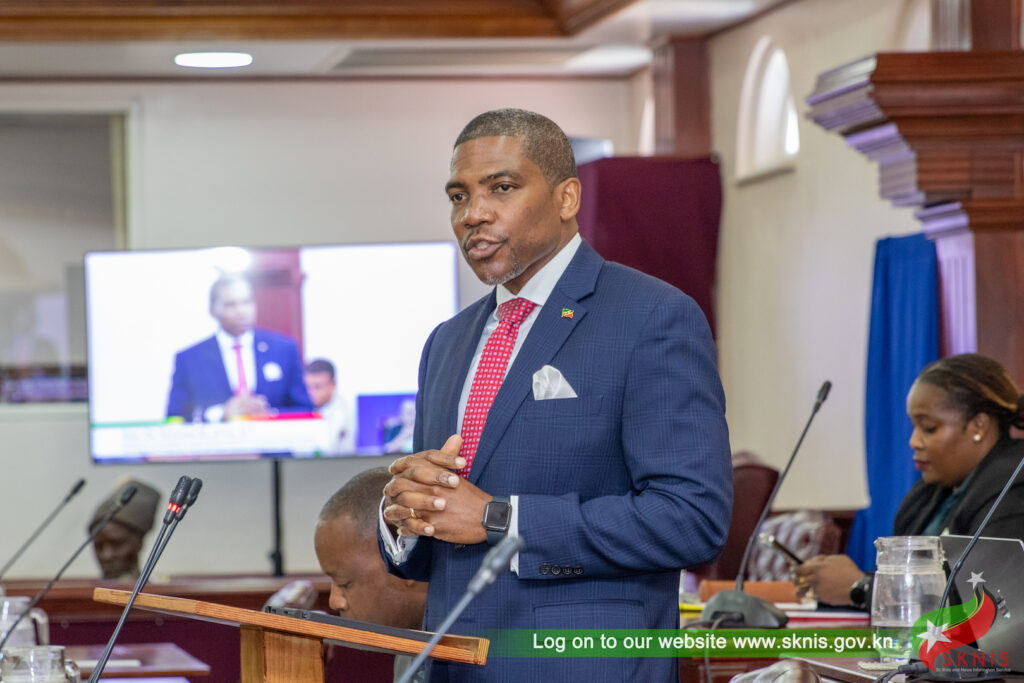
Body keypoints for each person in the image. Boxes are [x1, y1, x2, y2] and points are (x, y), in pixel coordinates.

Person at [378, 108, 732, 681]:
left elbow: (690, 519)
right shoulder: (447, 341)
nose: (473, 214)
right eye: (459, 196)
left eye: (501, 188)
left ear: (567, 198)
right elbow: (446, 521)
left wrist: (499, 518)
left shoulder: (651, 317)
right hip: (455, 664)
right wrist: (405, 511)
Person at [794, 353, 1024, 608]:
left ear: (978, 426)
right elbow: (910, 582)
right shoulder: (927, 494)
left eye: (929, 428)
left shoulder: (1014, 485)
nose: (914, 441)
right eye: (914, 427)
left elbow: (985, 601)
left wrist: (860, 587)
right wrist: (844, 584)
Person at [316, 468, 427, 682]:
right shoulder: (410, 654)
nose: (335, 602)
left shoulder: (488, 653)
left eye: (344, 583)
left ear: (406, 558)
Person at [165, 274, 312, 422]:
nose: (241, 311)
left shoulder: (283, 349)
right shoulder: (190, 359)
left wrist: (270, 414)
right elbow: (175, 418)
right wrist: (220, 414)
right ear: (213, 310)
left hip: (272, 435)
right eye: (231, 305)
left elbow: (305, 409)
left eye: (246, 302)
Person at [89, 479, 161, 580]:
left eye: (117, 544)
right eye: (99, 546)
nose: (107, 556)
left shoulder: (152, 590)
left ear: (139, 543)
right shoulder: (85, 589)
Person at [304, 358, 355, 454]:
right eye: (308, 387)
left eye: (317, 387)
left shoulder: (348, 413)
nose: (311, 392)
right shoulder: (304, 410)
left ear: (332, 384)